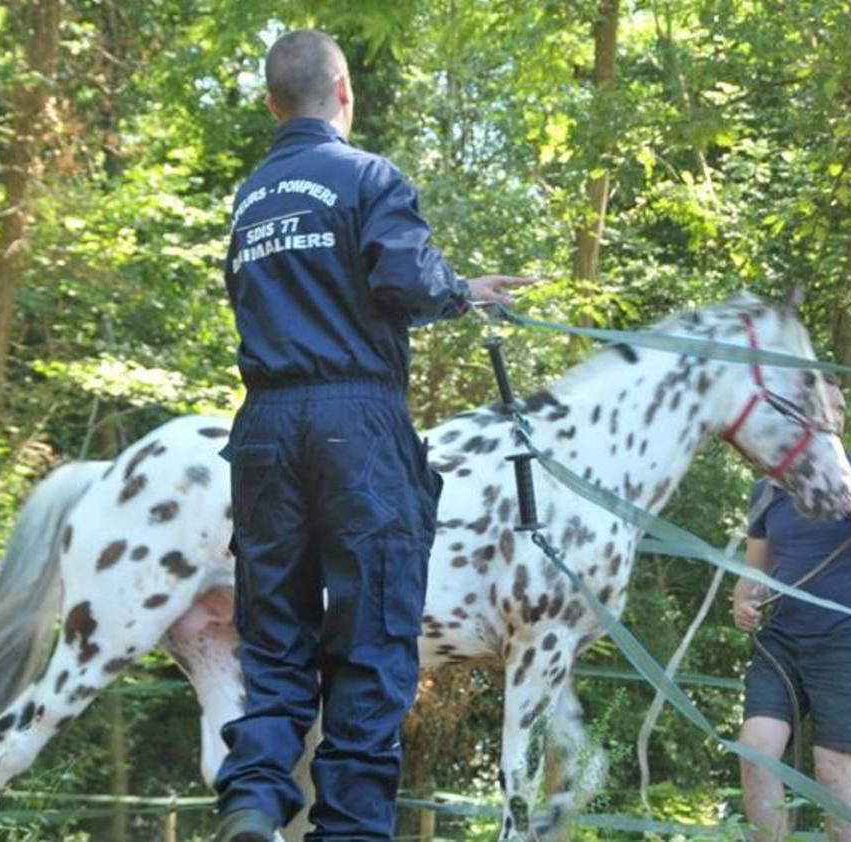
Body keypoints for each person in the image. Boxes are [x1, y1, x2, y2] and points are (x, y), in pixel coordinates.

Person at [213, 30, 532, 842]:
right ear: (344, 90)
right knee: (371, 639)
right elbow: (403, 277)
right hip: (355, 424)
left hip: (263, 432)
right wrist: (461, 292)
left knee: (276, 638)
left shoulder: (251, 200)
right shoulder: (367, 177)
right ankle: (349, 830)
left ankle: (252, 800)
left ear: (270, 104)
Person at [732, 381, 851, 842]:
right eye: (824, 407)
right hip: (783, 641)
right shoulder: (767, 490)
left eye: (841, 406)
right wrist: (743, 601)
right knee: (755, 751)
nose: (836, 414)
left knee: (833, 771)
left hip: (849, 637)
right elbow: (755, 570)